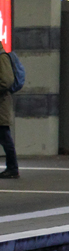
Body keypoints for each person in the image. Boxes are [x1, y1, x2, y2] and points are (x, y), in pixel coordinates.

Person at [0, 49, 17, 178]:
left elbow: (7, 80)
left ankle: (12, 168)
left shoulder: (2, 56)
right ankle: (12, 168)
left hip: (1, 104)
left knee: (4, 136)